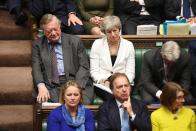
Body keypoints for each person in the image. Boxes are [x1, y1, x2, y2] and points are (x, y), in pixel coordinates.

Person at [32, 14, 94, 104]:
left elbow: (84, 66)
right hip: (51, 85)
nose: (53, 33)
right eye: (49, 31)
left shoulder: (75, 41)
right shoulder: (38, 45)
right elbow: (36, 67)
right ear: (43, 31)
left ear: (60, 27)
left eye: (55, 29)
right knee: (59, 109)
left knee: (80, 103)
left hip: (76, 81)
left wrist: (75, 87)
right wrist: (41, 86)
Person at [90, 15, 135, 101]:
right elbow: (94, 71)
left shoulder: (129, 45)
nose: (113, 34)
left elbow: (130, 73)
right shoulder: (97, 44)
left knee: (121, 94)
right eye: (109, 32)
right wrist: (104, 81)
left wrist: (119, 83)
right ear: (104, 32)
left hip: (124, 83)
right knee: (112, 97)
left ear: (119, 30)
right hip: (103, 84)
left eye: (115, 30)